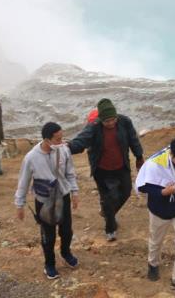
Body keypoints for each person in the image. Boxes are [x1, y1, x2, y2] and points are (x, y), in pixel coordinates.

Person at [68, 98, 144, 242]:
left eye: (113, 120)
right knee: (109, 198)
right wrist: (68, 147)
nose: (110, 123)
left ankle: (107, 212)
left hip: (121, 166)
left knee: (126, 192)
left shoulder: (125, 122)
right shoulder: (94, 126)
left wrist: (139, 156)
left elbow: (133, 139)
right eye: (106, 121)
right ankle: (110, 228)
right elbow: (81, 141)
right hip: (102, 170)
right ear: (100, 119)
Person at [15, 122, 79, 280]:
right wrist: (19, 204)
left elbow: (70, 172)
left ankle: (66, 252)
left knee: (66, 231)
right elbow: (23, 181)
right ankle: (49, 264)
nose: (61, 142)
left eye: (62, 138)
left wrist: (74, 192)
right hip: (43, 201)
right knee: (48, 236)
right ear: (47, 140)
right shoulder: (31, 157)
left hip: (63, 196)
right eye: (57, 139)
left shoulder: (63, 150)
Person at [137, 136, 175, 294]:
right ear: (172, 154)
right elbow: (144, 186)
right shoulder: (154, 164)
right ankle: (153, 264)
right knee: (156, 241)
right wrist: (163, 192)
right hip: (159, 210)